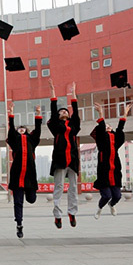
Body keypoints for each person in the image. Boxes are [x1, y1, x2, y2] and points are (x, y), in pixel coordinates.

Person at [47, 79, 80, 229]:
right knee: (59, 186)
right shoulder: (55, 126)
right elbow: (53, 111)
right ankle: (57, 215)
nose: (64, 112)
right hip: (60, 160)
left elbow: (76, 112)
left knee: (73, 187)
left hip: (72, 160)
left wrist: (73, 94)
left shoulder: (74, 126)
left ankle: (72, 212)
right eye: (61, 112)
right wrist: (53, 91)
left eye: (65, 111)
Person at [6, 103, 42, 238]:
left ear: (27, 131)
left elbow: (38, 129)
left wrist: (38, 113)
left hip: (30, 175)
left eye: (23, 128)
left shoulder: (32, 139)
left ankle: (30, 196)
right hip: (17, 175)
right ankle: (19, 224)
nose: (21, 129)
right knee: (18, 202)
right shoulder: (14, 140)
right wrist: (11, 114)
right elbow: (11, 130)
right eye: (19, 128)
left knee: (31, 199)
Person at [91, 103, 132, 219]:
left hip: (115, 169)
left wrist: (125, 114)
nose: (107, 127)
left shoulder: (116, 139)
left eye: (109, 126)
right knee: (106, 195)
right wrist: (100, 113)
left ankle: (111, 205)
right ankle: (99, 208)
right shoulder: (101, 139)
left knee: (117, 196)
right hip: (104, 169)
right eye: (105, 126)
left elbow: (120, 128)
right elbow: (101, 126)